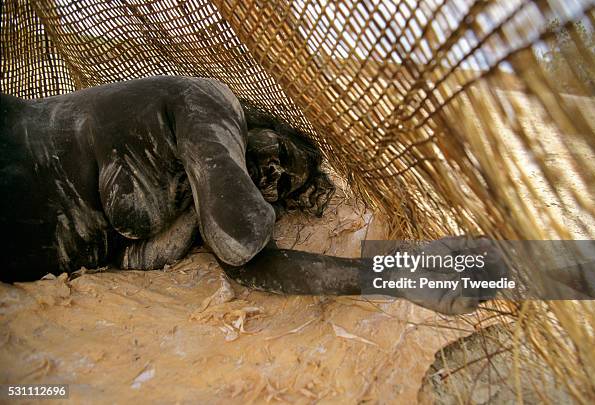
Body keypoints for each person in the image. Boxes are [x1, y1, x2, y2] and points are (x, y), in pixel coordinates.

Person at [0, 76, 505, 314]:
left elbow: (248, 263)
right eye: (284, 161)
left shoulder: (195, 202)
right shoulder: (205, 102)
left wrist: (400, 274)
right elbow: (241, 240)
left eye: (285, 190)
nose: (274, 181)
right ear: (266, 131)